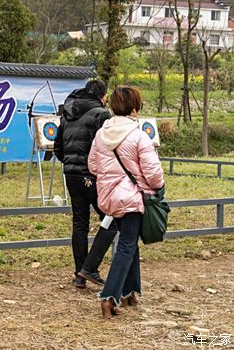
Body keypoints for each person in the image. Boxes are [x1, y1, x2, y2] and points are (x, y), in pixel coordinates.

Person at [87, 86, 164, 318]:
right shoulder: (139, 135)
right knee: (127, 245)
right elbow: (154, 175)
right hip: (131, 198)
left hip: (109, 197)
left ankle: (130, 291)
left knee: (129, 242)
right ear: (133, 108)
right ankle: (109, 297)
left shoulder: (102, 134)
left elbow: (92, 166)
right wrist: (154, 186)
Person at [54, 79, 117, 289]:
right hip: (92, 176)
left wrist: (72, 164)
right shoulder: (101, 115)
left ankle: (79, 275)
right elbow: (108, 148)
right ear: (101, 96)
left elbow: (58, 149)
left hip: (71, 175)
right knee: (111, 220)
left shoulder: (67, 113)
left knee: (79, 224)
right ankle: (90, 267)